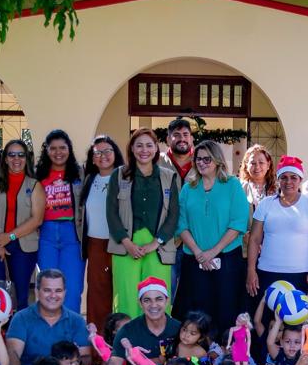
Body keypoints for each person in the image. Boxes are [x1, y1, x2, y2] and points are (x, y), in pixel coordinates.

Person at [174, 140, 250, 335]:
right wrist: (199, 253)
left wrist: (213, 252)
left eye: (207, 159)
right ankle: (196, 348)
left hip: (227, 258)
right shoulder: (188, 188)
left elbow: (238, 222)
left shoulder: (232, 185)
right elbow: (181, 223)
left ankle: (224, 349)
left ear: (217, 160)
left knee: (226, 309)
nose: (201, 163)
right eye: (198, 159)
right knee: (195, 311)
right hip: (194, 259)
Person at [107, 128, 180, 318]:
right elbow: (111, 213)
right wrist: (127, 243)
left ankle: (159, 336)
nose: (144, 150)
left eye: (149, 145)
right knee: (126, 297)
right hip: (126, 246)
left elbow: (174, 214)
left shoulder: (168, 177)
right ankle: (126, 335)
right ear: (131, 148)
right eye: (139, 145)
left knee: (157, 298)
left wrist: (156, 242)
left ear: (156, 148)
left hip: (158, 247)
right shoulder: (118, 175)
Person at [246, 155, 308, 303]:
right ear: (278, 179)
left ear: (300, 179)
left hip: (301, 274)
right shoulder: (266, 204)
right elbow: (254, 239)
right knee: (265, 316)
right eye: (284, 177)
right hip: (267, 272)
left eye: (293, 177)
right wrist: (251, 270)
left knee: (295, 317)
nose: (288, 182)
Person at [0, 139, 45, 311]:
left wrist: (9, 237)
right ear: (5, 159)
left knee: (19, 296)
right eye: (11, 155)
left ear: (26, 158)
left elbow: (37, 219)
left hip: (23, 248)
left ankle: (17, 328)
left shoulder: (34, 185)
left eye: (21, 155)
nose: (16, 159)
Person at [106, 277, 182, 365]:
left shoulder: (180, 329)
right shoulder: (128, 330)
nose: (154, 305)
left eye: (159, 299)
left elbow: (194, 363)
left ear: (167, 301)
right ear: (140, 303)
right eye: (147, 300)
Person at [5, 269, 90, 365]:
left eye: (58, 291)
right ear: (37, 291)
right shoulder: (21, 318)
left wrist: (71, 362)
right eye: (47, 290)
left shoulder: (77, 320)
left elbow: (86, 358)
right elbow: (13, 356)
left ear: (65, 292)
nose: (53, 295)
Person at [34, 130, 86, 311]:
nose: (58, 152)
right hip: (45, 234)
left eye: (63, 148)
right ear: (46, 150)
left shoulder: (79, 173)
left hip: (72, 233)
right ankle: (48, 325)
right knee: (47, 287)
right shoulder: (38, 174)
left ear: (69, 149)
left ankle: (70, 326)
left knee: (72, 288)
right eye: (53, 148)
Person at [81, 135, 124, 326]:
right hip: (96, 244)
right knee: (97, 292)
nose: (103, 155)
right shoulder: (89, 179)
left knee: (121, 290)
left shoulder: (125, 178)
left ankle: (120, 335)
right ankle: (97, 337)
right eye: (97, 152)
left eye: (107, 151)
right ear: (92, 158)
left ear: (116, 153)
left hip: (121, 243)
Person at [238, 143, 277, 210]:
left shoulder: (277, 188)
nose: (257, 167)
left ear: (268, 165)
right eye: (253, 163)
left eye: (261, 162)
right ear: (246, 165)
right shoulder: (239, 188)